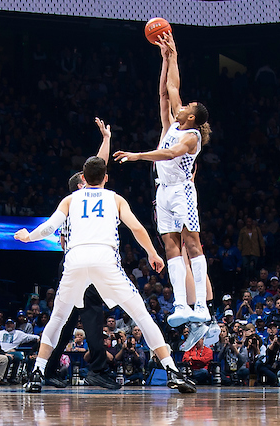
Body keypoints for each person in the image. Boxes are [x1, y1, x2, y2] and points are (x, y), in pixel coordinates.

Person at [16, 124, 195, 394]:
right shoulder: (115, 198)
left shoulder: (71, 199)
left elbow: (50, 228)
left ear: (84, 178)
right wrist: (153, 253)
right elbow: (136, 228)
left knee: (57, 318)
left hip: (75, 259)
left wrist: (28, 237)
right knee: (141, 315)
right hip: (104, 258)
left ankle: (37, 373)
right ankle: (172, 369)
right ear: (105, 178)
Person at [113, 32, 212, 329]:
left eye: (187, 107)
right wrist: (171, 56)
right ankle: (181, 303)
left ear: (192, 118)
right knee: (170, 246)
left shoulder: (191, 136)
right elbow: (170, 87)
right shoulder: (173, 123)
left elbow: (169, 155)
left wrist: (137, 155)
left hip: (183, 192)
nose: (182, 105)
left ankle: (202, 306)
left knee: (192, 244)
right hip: (164, 193)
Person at [44, 162, 113, 389]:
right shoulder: (77, 206)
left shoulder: (73, 206)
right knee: (92, 316)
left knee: (67, 322)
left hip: (71, 264)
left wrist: (105, 140)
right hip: (82, 263)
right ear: (81, 185)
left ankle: (47, 368)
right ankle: (98, 370)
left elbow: (98, 164)